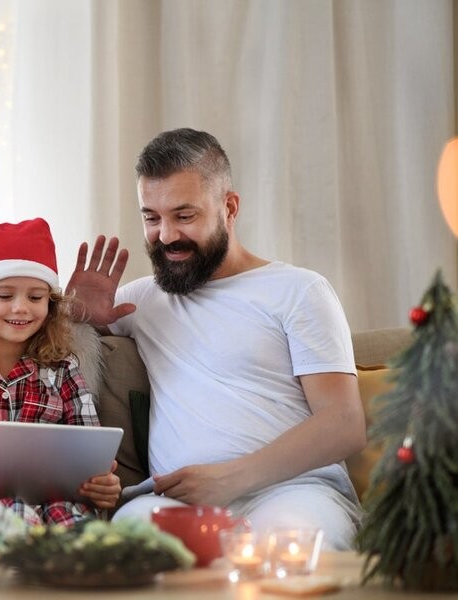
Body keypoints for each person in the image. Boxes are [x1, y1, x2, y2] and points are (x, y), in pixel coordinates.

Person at [66, 128, 366, 549]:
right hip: (175, 503)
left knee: (291, 547)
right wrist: (75, 318)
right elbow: (47, 362)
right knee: (126, 545)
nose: (166, 235)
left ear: (229, 207)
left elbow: (344, 424)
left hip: (295, 491)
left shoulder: (299, 291)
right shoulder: (138, 302)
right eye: (151, 217)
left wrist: (230, 478)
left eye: (184, 216)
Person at [0, 218, 122, 526]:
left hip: (59, 501)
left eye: (35, 297)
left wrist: (103, 485)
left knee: (84, 529)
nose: (21, 308)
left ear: (50, 305)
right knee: (13, 516)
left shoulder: (65, 369)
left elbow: (92, 453)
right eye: (4, 296)